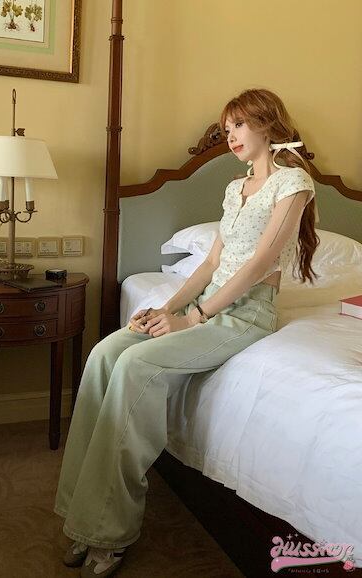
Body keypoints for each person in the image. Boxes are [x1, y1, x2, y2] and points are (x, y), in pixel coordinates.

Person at [54, 88, 319, 577]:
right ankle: (81, 516)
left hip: (246, 313)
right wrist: (164, 308)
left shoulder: (293, 183)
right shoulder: (235, 188)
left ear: (267, 123)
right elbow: (213, 263)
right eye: (227, 127)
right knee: (106, 352)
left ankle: (109, 531)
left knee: (136, 365)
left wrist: (193, 318)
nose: (231, 136)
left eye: (239, 125)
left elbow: (259, 263)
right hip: (207, 300)